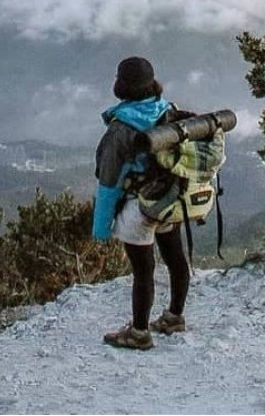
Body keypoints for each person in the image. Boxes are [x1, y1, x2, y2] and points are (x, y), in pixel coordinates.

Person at [93, 56, 190, 351]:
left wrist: (101, 228)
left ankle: (138, 333)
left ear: (121, 86)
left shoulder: (120, 129)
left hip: (139, 208)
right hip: (169, 198)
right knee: (175, 258)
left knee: (143, 271)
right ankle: (174, 317)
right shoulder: (168, 112)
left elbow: (108, 183)